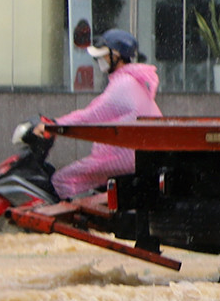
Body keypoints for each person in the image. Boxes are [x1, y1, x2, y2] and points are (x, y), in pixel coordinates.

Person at [46, 29, 161, 198]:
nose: (98, 60)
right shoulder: (132, 80)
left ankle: (74, 221)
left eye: (102, 56)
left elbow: (92, 115)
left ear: (116, 56)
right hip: (138, 153)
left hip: (125, 156)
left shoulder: (123, 85)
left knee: (62, 179)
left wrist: (53, 125)